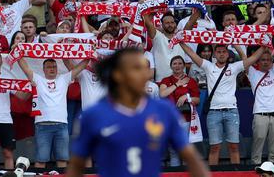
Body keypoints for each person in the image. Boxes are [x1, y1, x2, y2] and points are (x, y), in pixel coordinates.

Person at [67, 47, 211, 177]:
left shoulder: (164, 111)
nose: (144, 73)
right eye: (136, 68)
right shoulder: (93, 115)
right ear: (118, 74)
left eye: (144, 68)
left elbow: (192, 159)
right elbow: (76, 166)